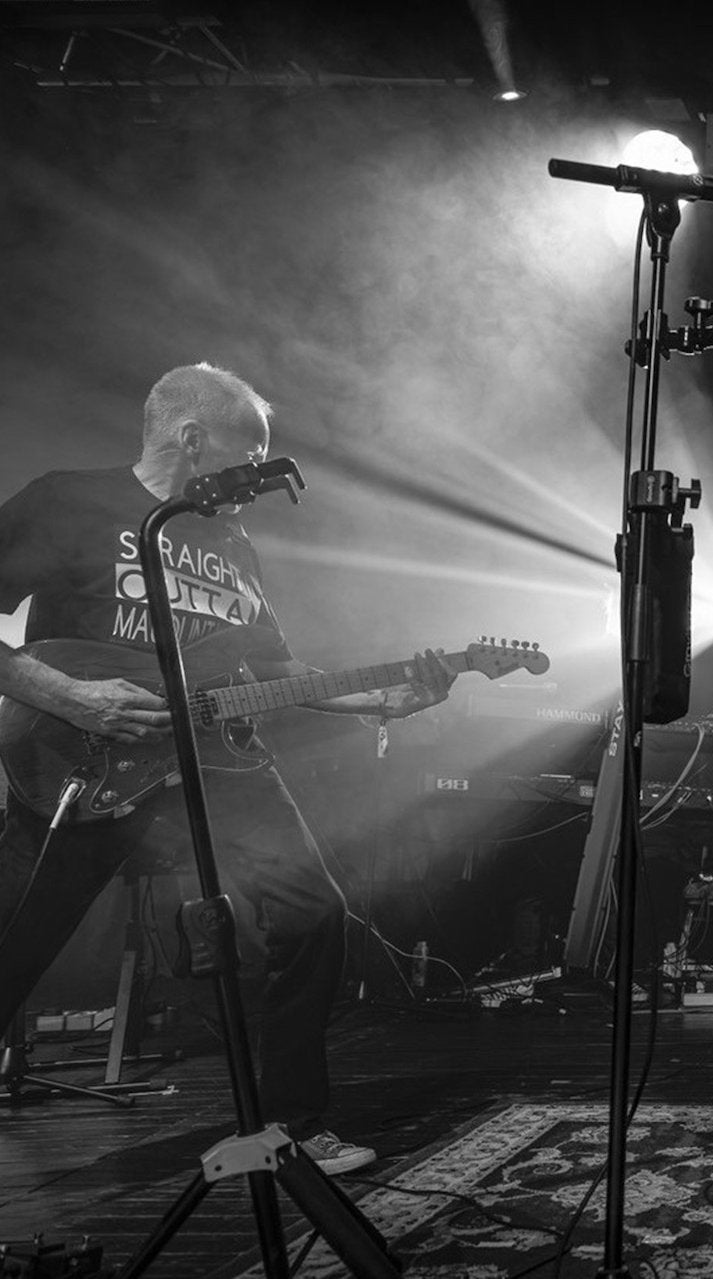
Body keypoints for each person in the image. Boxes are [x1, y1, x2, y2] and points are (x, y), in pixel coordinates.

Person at [0, 363, 453, 1174]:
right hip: (85, 759)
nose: (254, 479)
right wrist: (69, 695)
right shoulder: (68, 500)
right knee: (15, 944)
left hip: (216, 763)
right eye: (250, 455)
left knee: (314, 912)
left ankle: (292, 1125)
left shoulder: (232, 541)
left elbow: (275, 668)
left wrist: (385, 699)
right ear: (192, 438)